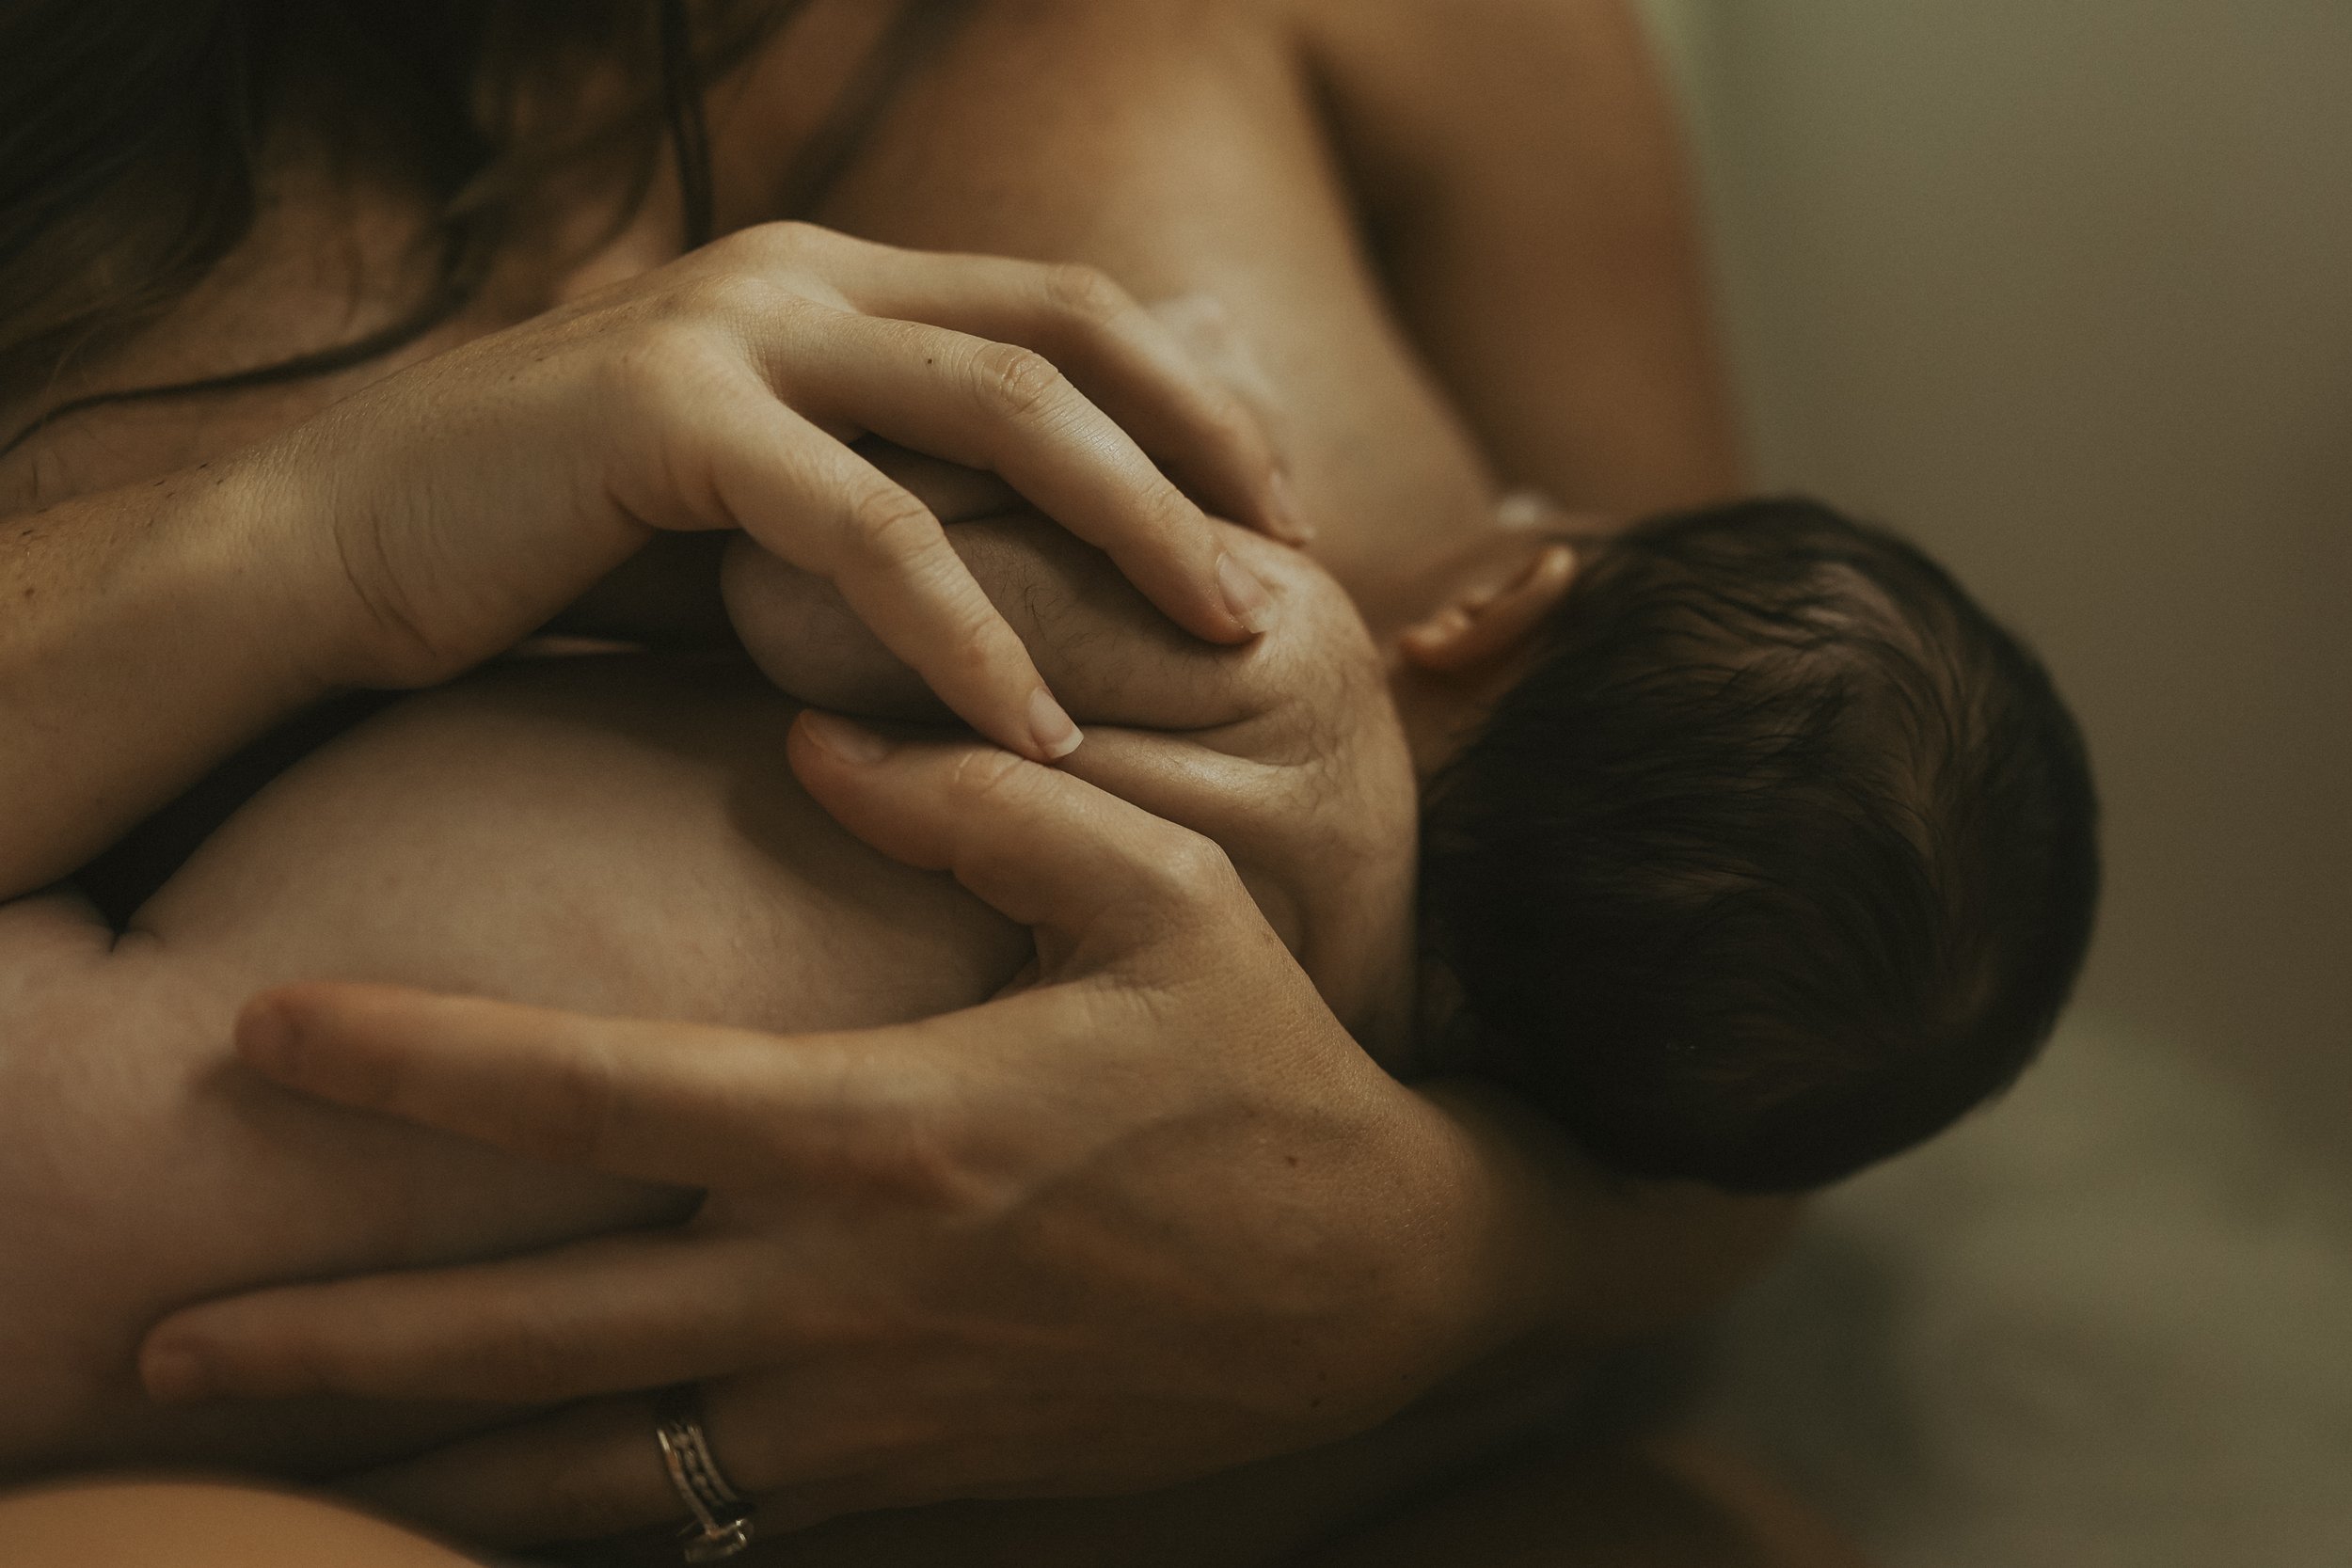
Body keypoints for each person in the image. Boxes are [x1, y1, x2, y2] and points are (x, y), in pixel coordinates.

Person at [0, 0, 1828, 1558]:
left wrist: (1428, 1260)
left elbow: (1778, 1009)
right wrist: (307, 539)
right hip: (295, 1458)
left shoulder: (1452, 39)